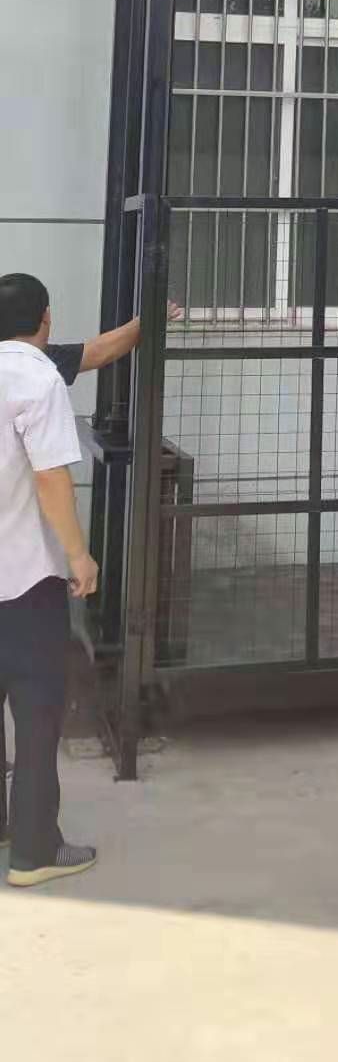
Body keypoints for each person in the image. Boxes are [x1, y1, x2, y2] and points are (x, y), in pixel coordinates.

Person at [0, 272, 98, 887]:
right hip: (25, 579)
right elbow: (50, 478)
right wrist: (79, 555)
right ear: (46, 320)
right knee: (37, 714)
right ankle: (34, 851)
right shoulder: (38, 379)